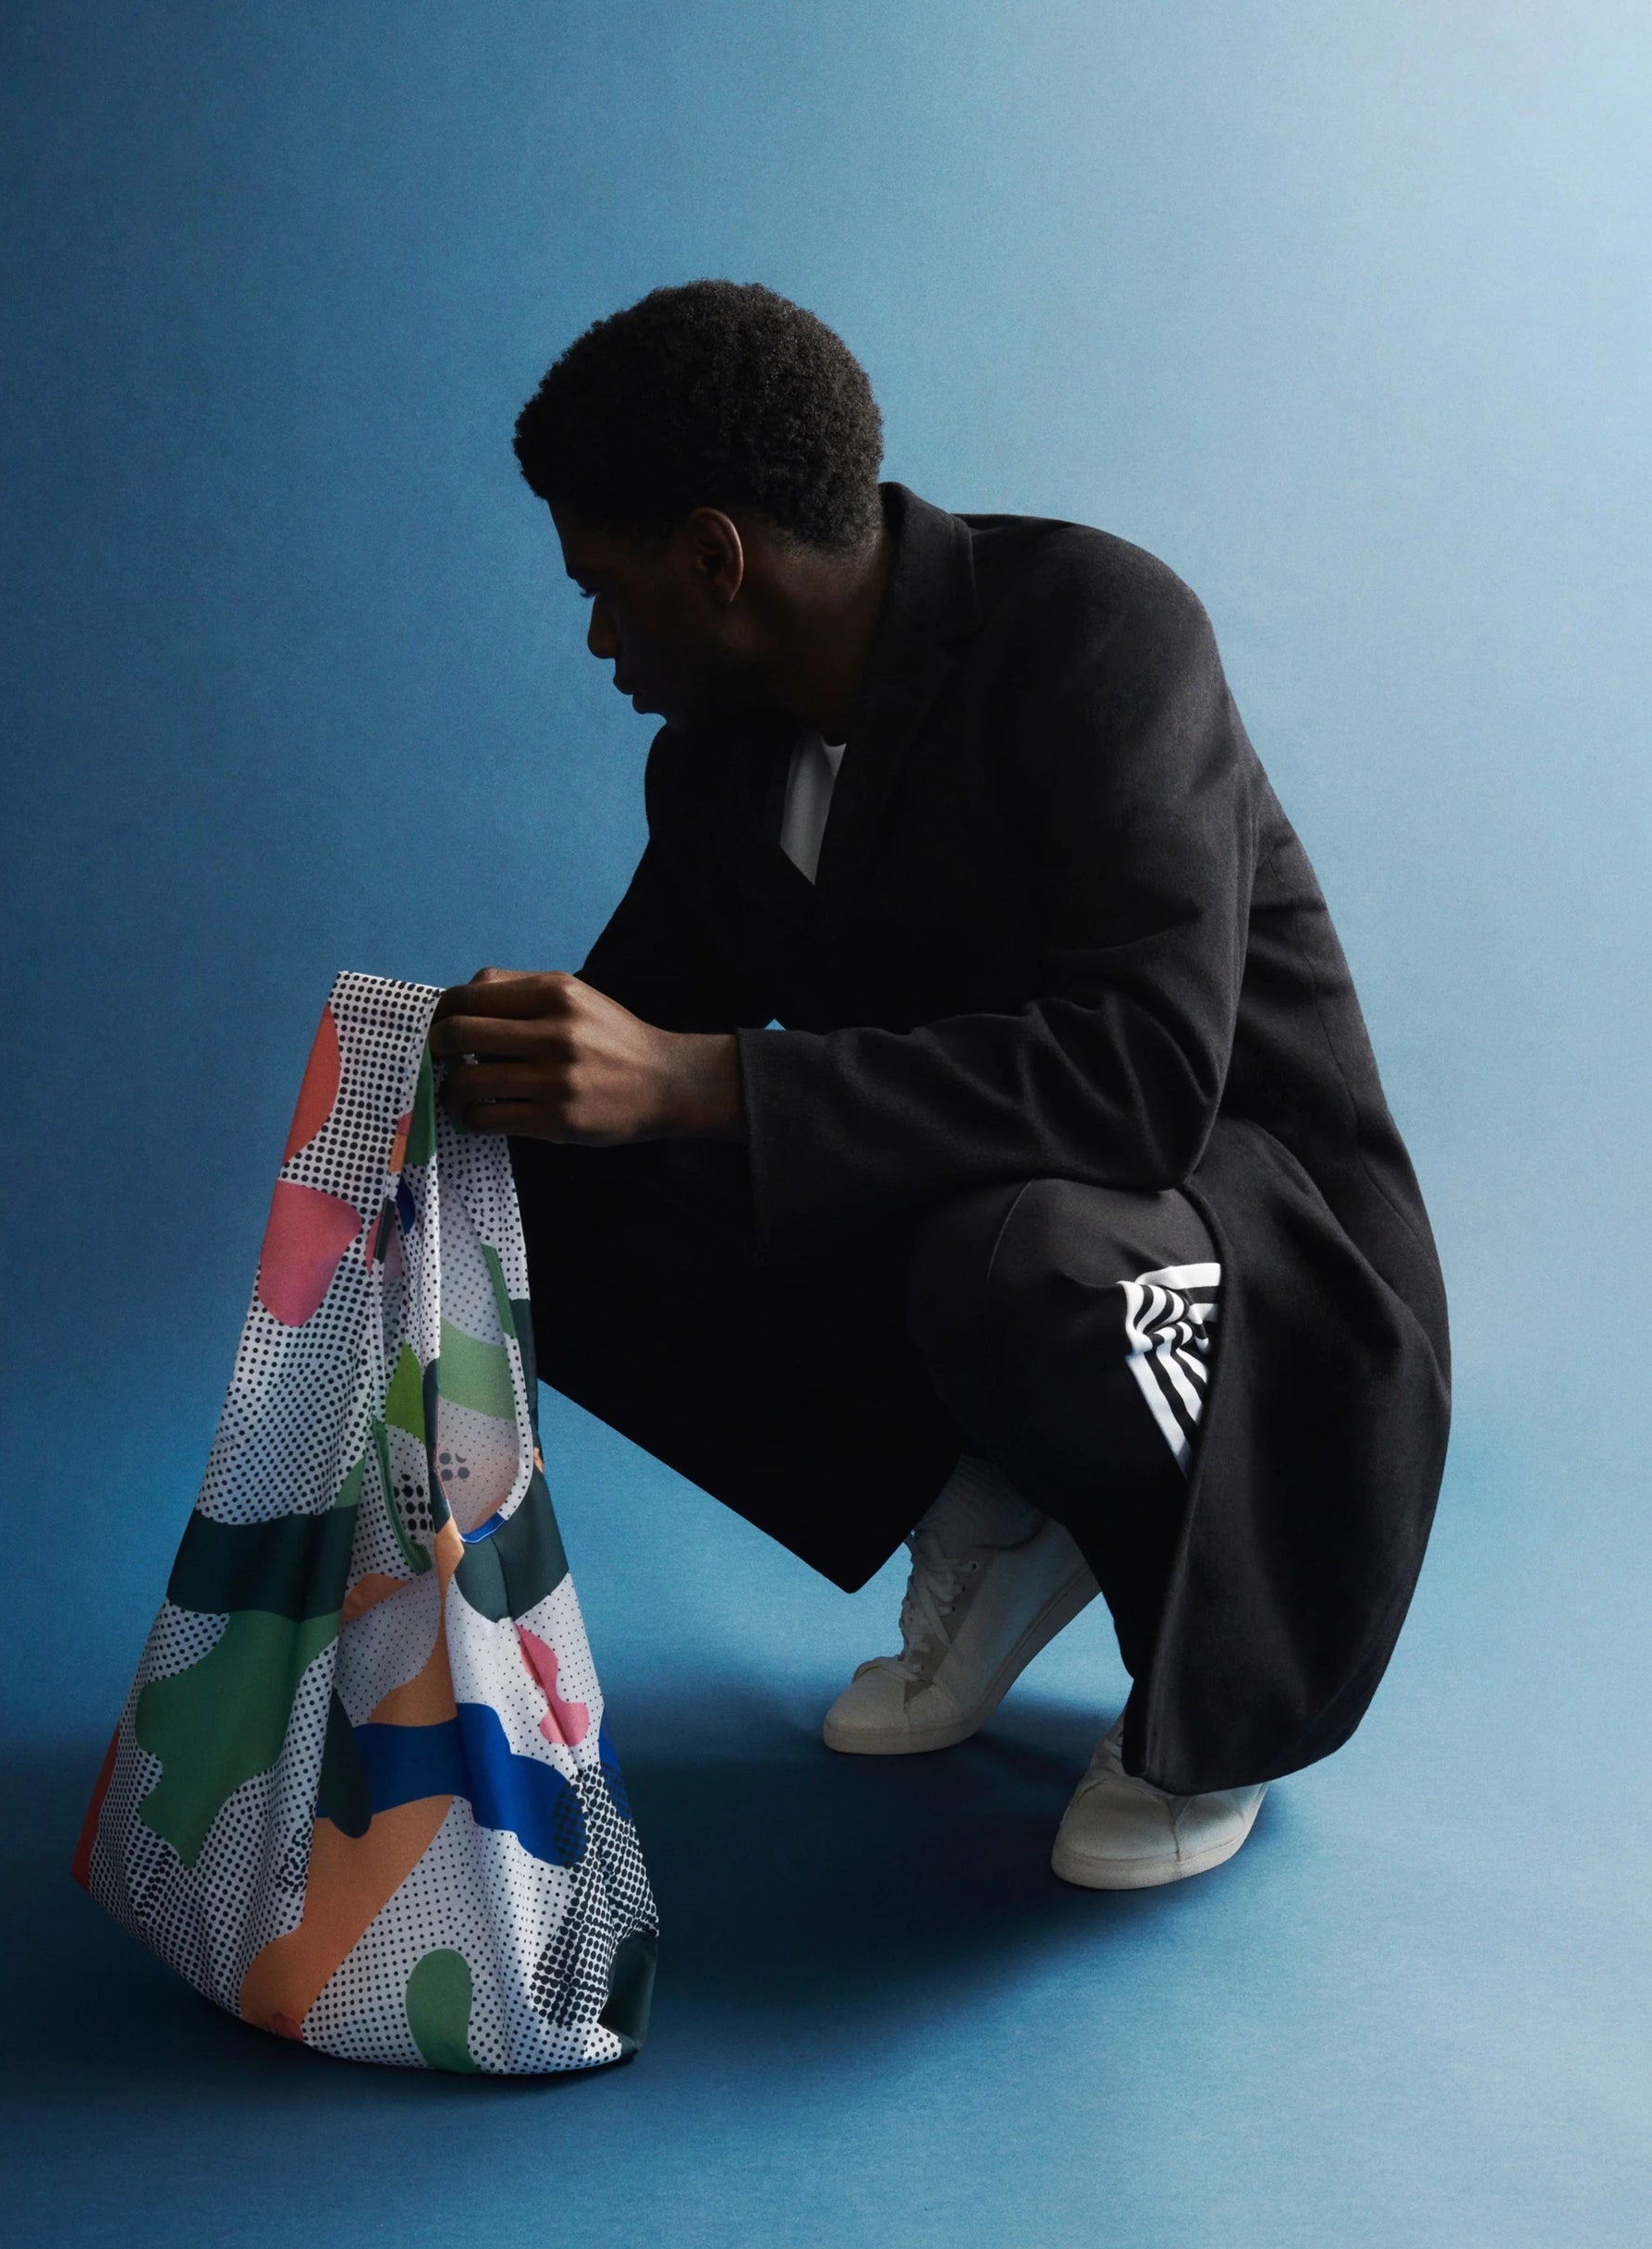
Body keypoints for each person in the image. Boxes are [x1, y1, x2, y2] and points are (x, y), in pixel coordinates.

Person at [428, 280, 1450, 1890]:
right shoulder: (715, 761)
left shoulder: (1097, 629)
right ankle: (988, 1503)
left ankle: (1217, 1702)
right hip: (987, 1234)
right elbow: (620, 1047)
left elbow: (1145, 1078)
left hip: (1255, 1245)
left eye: (611, 591)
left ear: (717, 558)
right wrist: (456, 1073)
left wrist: (696, 1078)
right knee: (542, 1186)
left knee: (1016, 1263)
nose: (598, 641)